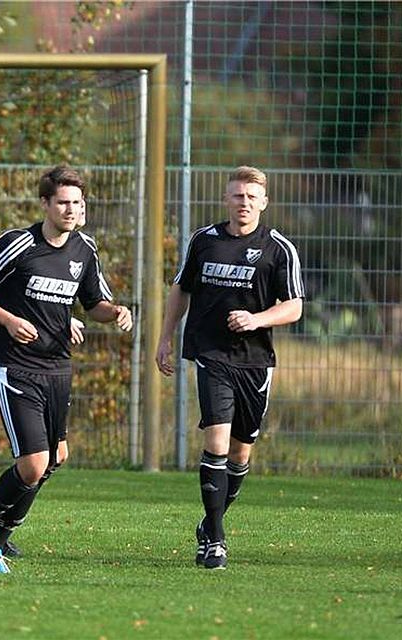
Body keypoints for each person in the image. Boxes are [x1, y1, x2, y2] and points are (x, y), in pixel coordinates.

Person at [0, 165, 133, 573]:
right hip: (15, 365)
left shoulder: (85, 250)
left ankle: (1, 536)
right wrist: (8, 320)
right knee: (34, 463)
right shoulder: (18, 244)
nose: (70, 210)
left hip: (57, 366)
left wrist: (118, 312)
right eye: (63, 202)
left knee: (56, 457)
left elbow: (94, 304)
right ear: (45, 204)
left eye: (77, 203)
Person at [155, 165, 304, 570]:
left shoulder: (278, 248)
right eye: (237, 196)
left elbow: (294, 306)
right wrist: (166, 337)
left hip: (255, 361)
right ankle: (216, 540)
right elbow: (181, 290)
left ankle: (210, 521)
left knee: (240, 453)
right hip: (211, 354)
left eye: (252, 197)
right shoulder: (204, 241)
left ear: (264, 202)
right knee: (216, 443)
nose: (244, 203)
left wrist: (257, 319)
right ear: (226, 199)